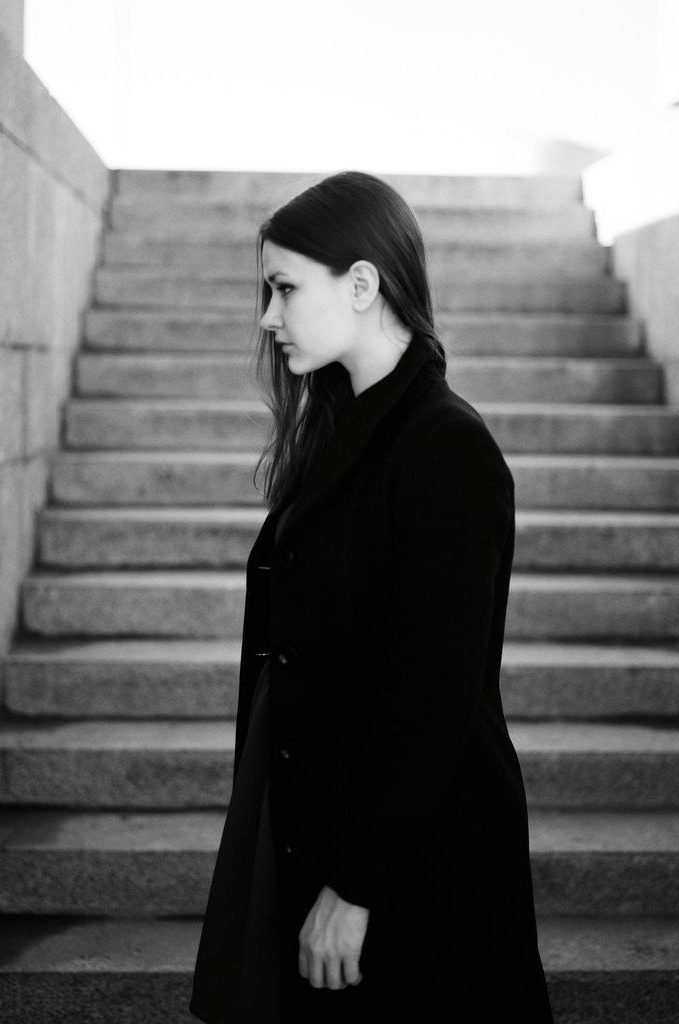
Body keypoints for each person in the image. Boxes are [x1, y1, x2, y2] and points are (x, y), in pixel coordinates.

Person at [190, 170, 554, 1023]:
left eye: (285, 289)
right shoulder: (342, 428)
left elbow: (435, 693)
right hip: (326, 822)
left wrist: (354, 886)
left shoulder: (446, 448)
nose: (267, 316)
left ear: (361, 284)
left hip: (420, 864)